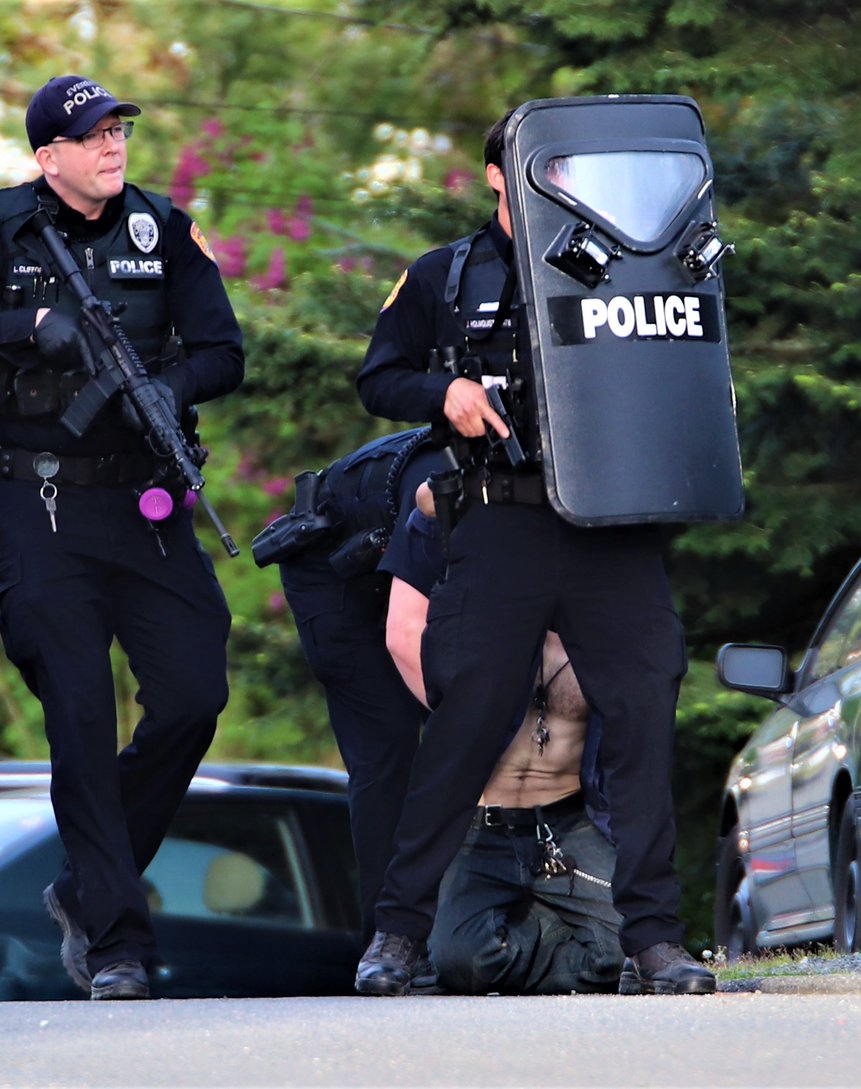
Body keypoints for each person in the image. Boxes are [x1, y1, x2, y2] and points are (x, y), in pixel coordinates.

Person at [353, 108, 716, 997]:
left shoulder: (638, 258)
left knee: (640, 708)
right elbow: (378, 377)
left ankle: (656, 941)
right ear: (499, 176)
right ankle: (397, 934)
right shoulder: (446, 273)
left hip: (611, 529)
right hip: (500, 518)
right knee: (467, 719)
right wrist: (448, 392)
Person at [0, 75, 244, 1000]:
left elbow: (225, 350)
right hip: (40, 508)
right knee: (83, 720)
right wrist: (32, 327)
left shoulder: (162, 230)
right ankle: (117, 945)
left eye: (119, 129)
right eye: (92, 135)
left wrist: (163, 393)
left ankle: (86, 887)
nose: (112, 145)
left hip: (144, 502)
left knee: (192, 693)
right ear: (47, 156)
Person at [383, 485, 623, 995]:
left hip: (567, 822)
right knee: (461, 962)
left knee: (625, 954)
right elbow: (406, 627)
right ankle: (533, 933)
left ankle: (531, 931)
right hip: (479, 819)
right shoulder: (472, 615)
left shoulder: (598, 620)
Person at [256, 430, 446, 947]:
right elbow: (405, 637)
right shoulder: (445, 482)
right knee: (387, 748)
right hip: (330, 577)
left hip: (388, 570)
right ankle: (390, 943)